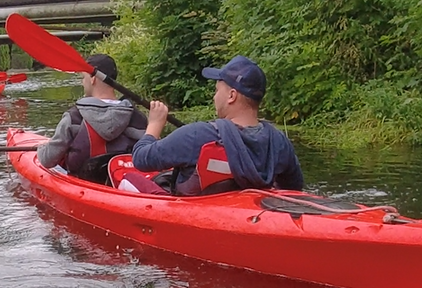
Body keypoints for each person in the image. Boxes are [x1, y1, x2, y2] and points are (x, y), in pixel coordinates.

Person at [130, 55, 304, 195]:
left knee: (130, 178)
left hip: (196, 216)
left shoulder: (198, 135)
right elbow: (293, 188)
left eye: (217, 90)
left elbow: (140, 158)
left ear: (231, 96)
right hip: (250, 216)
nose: (214, 97)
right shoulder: (279, 141)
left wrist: (154, 125)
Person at [37, 53, 147, 184]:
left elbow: (47, 160)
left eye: (83, 77)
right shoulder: (137, 117)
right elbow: (149, 155)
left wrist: (41, 149)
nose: (82, 82)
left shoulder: (74, 117)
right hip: (123, 185)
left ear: (93, 79)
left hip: (83, 184)